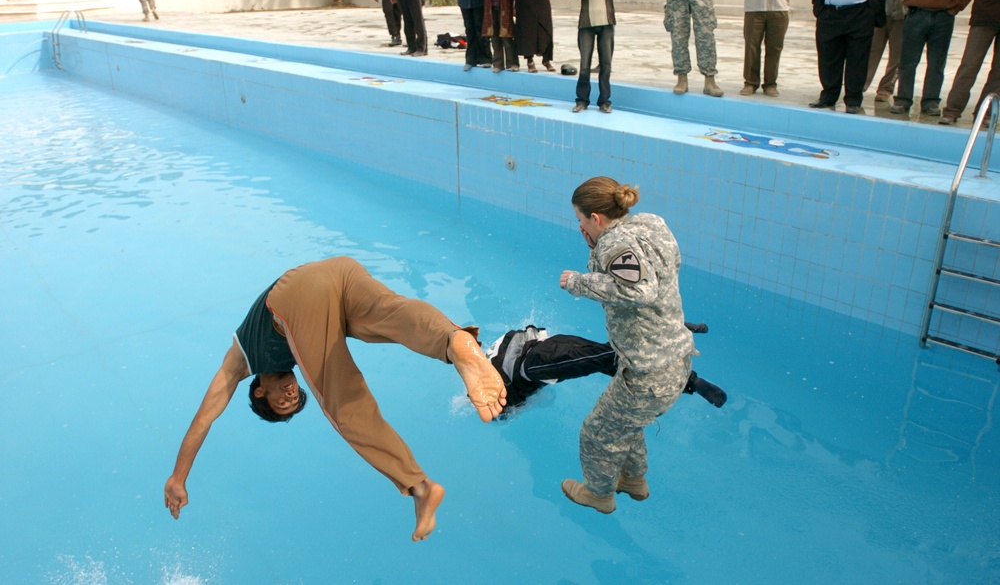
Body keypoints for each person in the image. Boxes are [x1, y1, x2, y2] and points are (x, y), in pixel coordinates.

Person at [162, 257, 506, 542]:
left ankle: (420, 487)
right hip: (338, 272)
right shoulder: (297, 350)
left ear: (258, 390)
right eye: (294, 400)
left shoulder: (238, 363)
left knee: (343, 405)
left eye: (281, 401)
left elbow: (204, 419)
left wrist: (178, 478)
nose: (291, 394)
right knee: (392, 316)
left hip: (295, 296)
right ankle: (454, 341)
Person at [558, 177, 697, 514]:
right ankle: (633, 479)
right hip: (676, 358)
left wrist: (579, 282)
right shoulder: (651, 224)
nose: (579, 227)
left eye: (580, 220)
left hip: (649, 375)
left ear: (596, 217)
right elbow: (664, 271)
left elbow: (640, 291)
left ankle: (599, 494)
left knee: (596, 433)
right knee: (624, 423)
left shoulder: (614, 244)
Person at [486, 323, 726, 414]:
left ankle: (658, 331)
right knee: (609, 360)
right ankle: (689, 380)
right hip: (543, 345)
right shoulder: (485, 366)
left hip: (537, 364)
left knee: (610, 356)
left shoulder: (497, 398)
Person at [889, 0, 976, 117]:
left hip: (943, 18)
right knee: (908, 62)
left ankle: (930, 102)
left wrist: (955, 7)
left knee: (936, 63)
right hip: (916, 16)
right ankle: (903, 100)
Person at [940, 0, 1000, 125]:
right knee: (969, 64)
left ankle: (985, 113)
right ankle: (952, 110)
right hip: (986, 13)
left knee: (999, 71)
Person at [571, 0, 632, 115]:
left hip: (606, 23)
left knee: (606, 65)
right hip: (586, 24)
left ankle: (604, 101)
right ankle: (582, 100)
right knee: (584, 65)